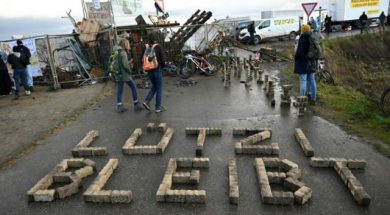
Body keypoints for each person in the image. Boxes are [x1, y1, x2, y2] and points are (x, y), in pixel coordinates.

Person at [114, 38, 143, 112]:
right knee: (133, 87)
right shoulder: (123, 53)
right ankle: (136, 104)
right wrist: (129, 70)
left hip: (118, 73)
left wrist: (128, 61)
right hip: (124, 74)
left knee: (120, 90)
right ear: (125, 45)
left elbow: (119, 62)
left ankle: (119, 105)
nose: (129, 45)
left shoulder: (116, 51)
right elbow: (125, 65)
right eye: (128, 44)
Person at [142, 32, 166, 113]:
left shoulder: (147, 47)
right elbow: (162, 60)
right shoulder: (158, 47)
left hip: (149, 70)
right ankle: (158, 107)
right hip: (157, 70)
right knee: (159, 88)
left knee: (154, 86)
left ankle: (147, 101)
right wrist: (162, 67)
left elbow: (144, 59)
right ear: (157, 38)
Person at [294, 24, 317, 105]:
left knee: (303, 81)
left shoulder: (303, 38)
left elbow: (299, 53)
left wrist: (296, 58)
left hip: (304, 63)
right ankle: (313, 99)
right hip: (312, 62)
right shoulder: (312, 37)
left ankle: (302, 100)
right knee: (312, 80)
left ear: (303, 30)